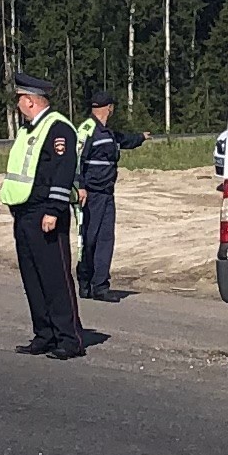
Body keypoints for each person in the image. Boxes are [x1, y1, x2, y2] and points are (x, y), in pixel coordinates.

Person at [0, 73, 86, 357]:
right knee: (32, 278)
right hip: (24, 212)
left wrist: (53, 211)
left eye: (20, 100)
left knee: (55, 277)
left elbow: (62, 172)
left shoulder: (58, 128)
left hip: (46, 214)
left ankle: (69, 339)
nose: (18, 106)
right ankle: (44, 333)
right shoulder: (28, 131)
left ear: (31, 101)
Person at [75, 93, 146, 300]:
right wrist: (80, 186)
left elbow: (123, 140)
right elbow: (77, 159)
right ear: (109, 108)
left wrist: (141, 137)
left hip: (107, 193)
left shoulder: (107, 133)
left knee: (105, 239)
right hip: (90, 195)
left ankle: (100, 286)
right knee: (89, 239)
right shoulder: (88, 129)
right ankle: (85, 281)